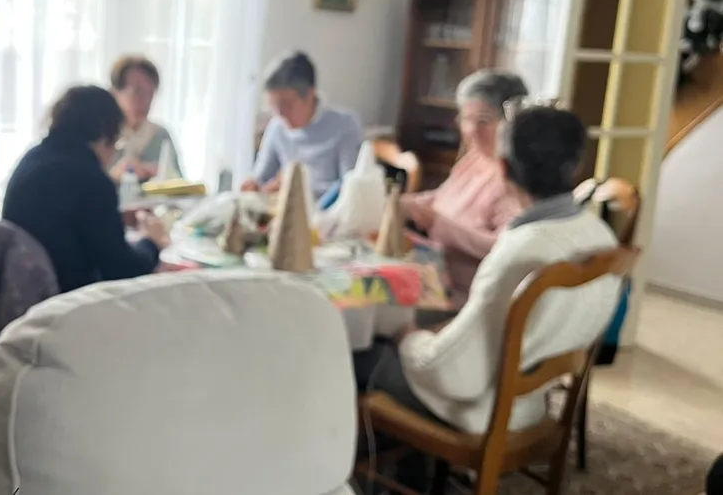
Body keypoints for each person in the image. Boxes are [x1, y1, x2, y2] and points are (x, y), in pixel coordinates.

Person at [353, 106, 622, 492]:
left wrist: (405, 335)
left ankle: (383, 481)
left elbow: (452, 374)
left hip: (484, 411)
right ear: (575, 164)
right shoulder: (599, 235)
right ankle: (417, 473)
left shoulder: (522, 249)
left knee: (365, 352)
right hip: (531, 400)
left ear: (504, 168)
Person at [2, 85, 170, 293]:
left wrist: (114, 218)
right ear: (103, 133)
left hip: (22, 292)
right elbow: (123, 270)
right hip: (67, 300)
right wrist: (151, 241)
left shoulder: (34, 158)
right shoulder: (91, 180)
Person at [401, 69, 529, 297]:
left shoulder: (512, 180)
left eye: (484, 121)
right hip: (432, 277)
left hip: (463, 295)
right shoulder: (475, 159)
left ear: (511, 122)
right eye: (466, 119)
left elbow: (506, 246)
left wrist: (438, 223)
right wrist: (407, 203)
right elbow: (443, 196)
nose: (471, 131)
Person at [241, 51, 363, 198]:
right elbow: (261, 176)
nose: (281, 114)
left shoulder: (345, 125)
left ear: (310, 94)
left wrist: (293, 189)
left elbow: (349, 188)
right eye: (275, 107)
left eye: (287, 105)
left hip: (326, 214)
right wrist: (254, 184)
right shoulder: (277, 126)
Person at [108, 55, 181, 182]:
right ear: (115, 92)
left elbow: (181, 184)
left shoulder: (161, 135)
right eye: (138, 91)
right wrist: (115, 176)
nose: (145, 100)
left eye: (150, 93)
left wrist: (164, 175)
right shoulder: (102, 136)